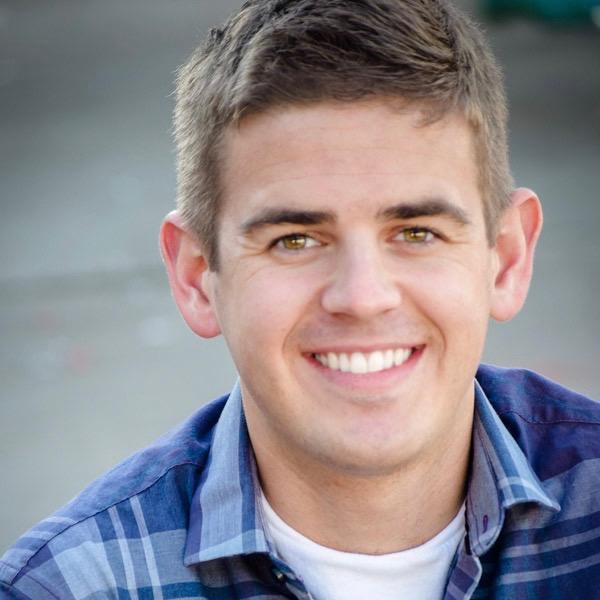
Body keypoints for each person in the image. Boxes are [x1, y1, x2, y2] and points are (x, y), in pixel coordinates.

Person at [2, 0, 600, 597]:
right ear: (196, 276)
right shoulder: (68, 587)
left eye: (417, 233)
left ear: (507, 258)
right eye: (295, 240)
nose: (362, 297)